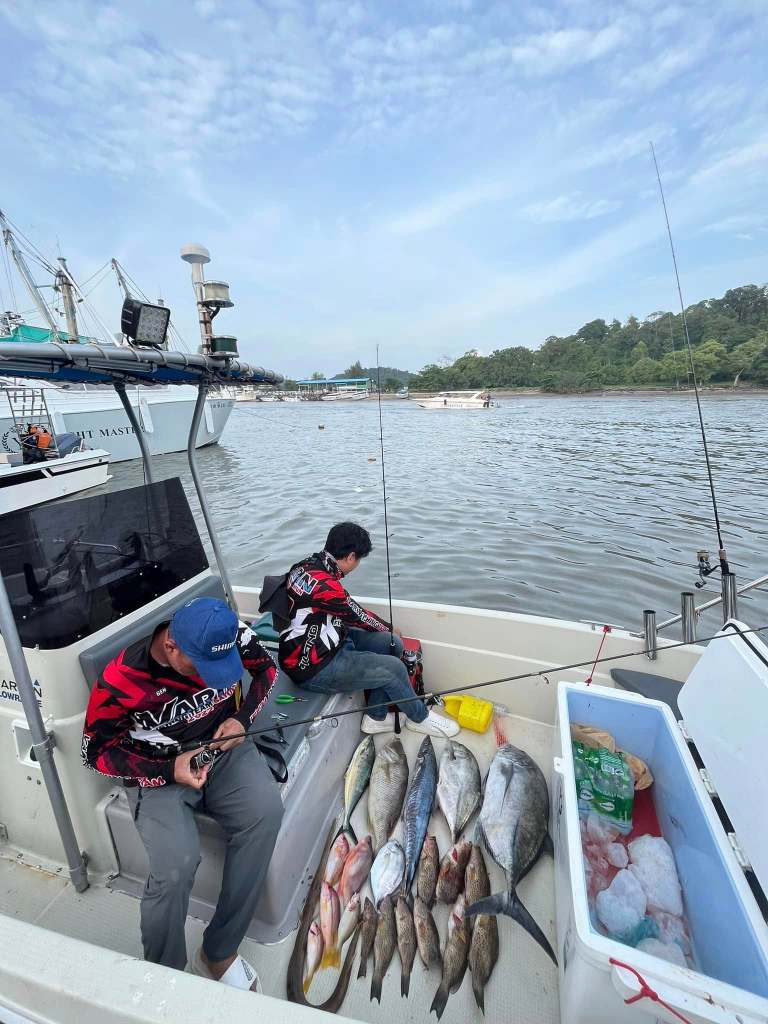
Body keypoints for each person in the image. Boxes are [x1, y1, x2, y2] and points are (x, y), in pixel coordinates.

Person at [81, 596, 282, 991]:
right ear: (171, 646)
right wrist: (168, 769)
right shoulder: (121, 678)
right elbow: (95, 754)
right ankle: (166, 976)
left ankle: (219, 950)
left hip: (222, 749)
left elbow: (267, 671)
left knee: (266, 813)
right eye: (204, 668)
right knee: (176, 864)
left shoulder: (232, 635)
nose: (215, 680)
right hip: (159, 770)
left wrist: (242, 720)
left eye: (222, 669)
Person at [278, 522, 459, 737]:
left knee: (392, 644)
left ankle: (375, 717)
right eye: (359, 559)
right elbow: (358, 615)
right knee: (394, 669)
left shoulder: (306, 565)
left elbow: (347, 609)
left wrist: (389, 633)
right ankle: (419, 718)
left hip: (331, 639)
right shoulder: (325, 585)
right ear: (351, 557)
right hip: (313, 666)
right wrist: (390, 627)